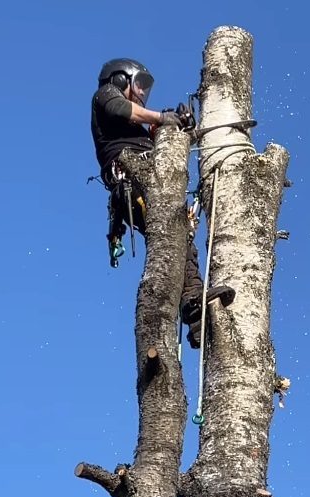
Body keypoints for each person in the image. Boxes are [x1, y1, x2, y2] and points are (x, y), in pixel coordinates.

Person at [91, 58, 234, 348]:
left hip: (150, 183)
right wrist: (160, 118)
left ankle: (195, 311)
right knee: (172, 236)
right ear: (120, 79)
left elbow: (156, 133)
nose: (143, 91)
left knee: (181, 241)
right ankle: (191, 302)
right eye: (139, 84)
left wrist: (172, 127)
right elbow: (122, 109)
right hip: (132, 182)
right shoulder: (106, 96)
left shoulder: (136, 126)